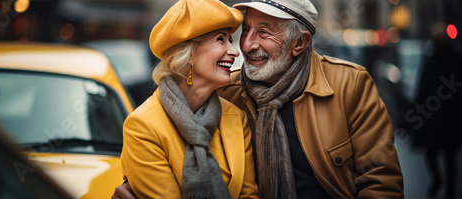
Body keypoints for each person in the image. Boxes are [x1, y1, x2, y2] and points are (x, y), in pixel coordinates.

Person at [114, 0, 404, 198]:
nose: (246, 45)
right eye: (246, 31)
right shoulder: (229, 91)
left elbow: (380, 181)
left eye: (264, 32)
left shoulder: (349, 85)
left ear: (299, 43)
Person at [117, 0, 259, 198]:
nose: (235, 51)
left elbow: (249, 195)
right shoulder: (142, 126)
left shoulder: (236, 117)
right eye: (220, 39)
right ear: (189, 53)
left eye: (230, 40)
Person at [411, 23, 462, 198]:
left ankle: (438, 181)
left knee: (431, 151)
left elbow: (422, 88)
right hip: (452, 117)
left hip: (433, 114)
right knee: (450, 155)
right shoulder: (457, 59)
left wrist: (416, 112)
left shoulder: (431, 60)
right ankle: (449, 191)